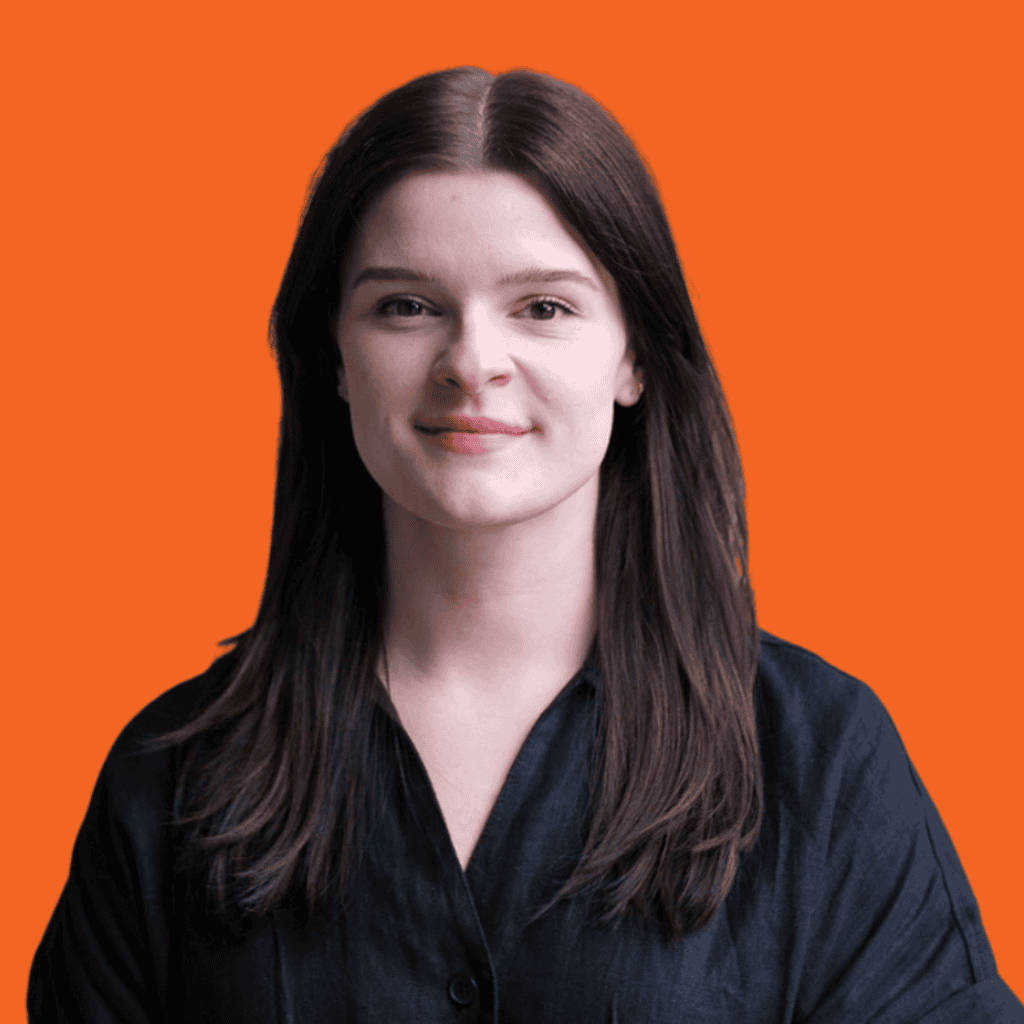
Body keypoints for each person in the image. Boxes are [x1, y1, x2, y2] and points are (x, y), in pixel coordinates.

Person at [28, 66, 1022, 1022]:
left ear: (633, 355)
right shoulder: (170, 783)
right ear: (333, 354)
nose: (471, 362)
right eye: (406, 306)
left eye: (542, 307)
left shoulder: (821, 760)